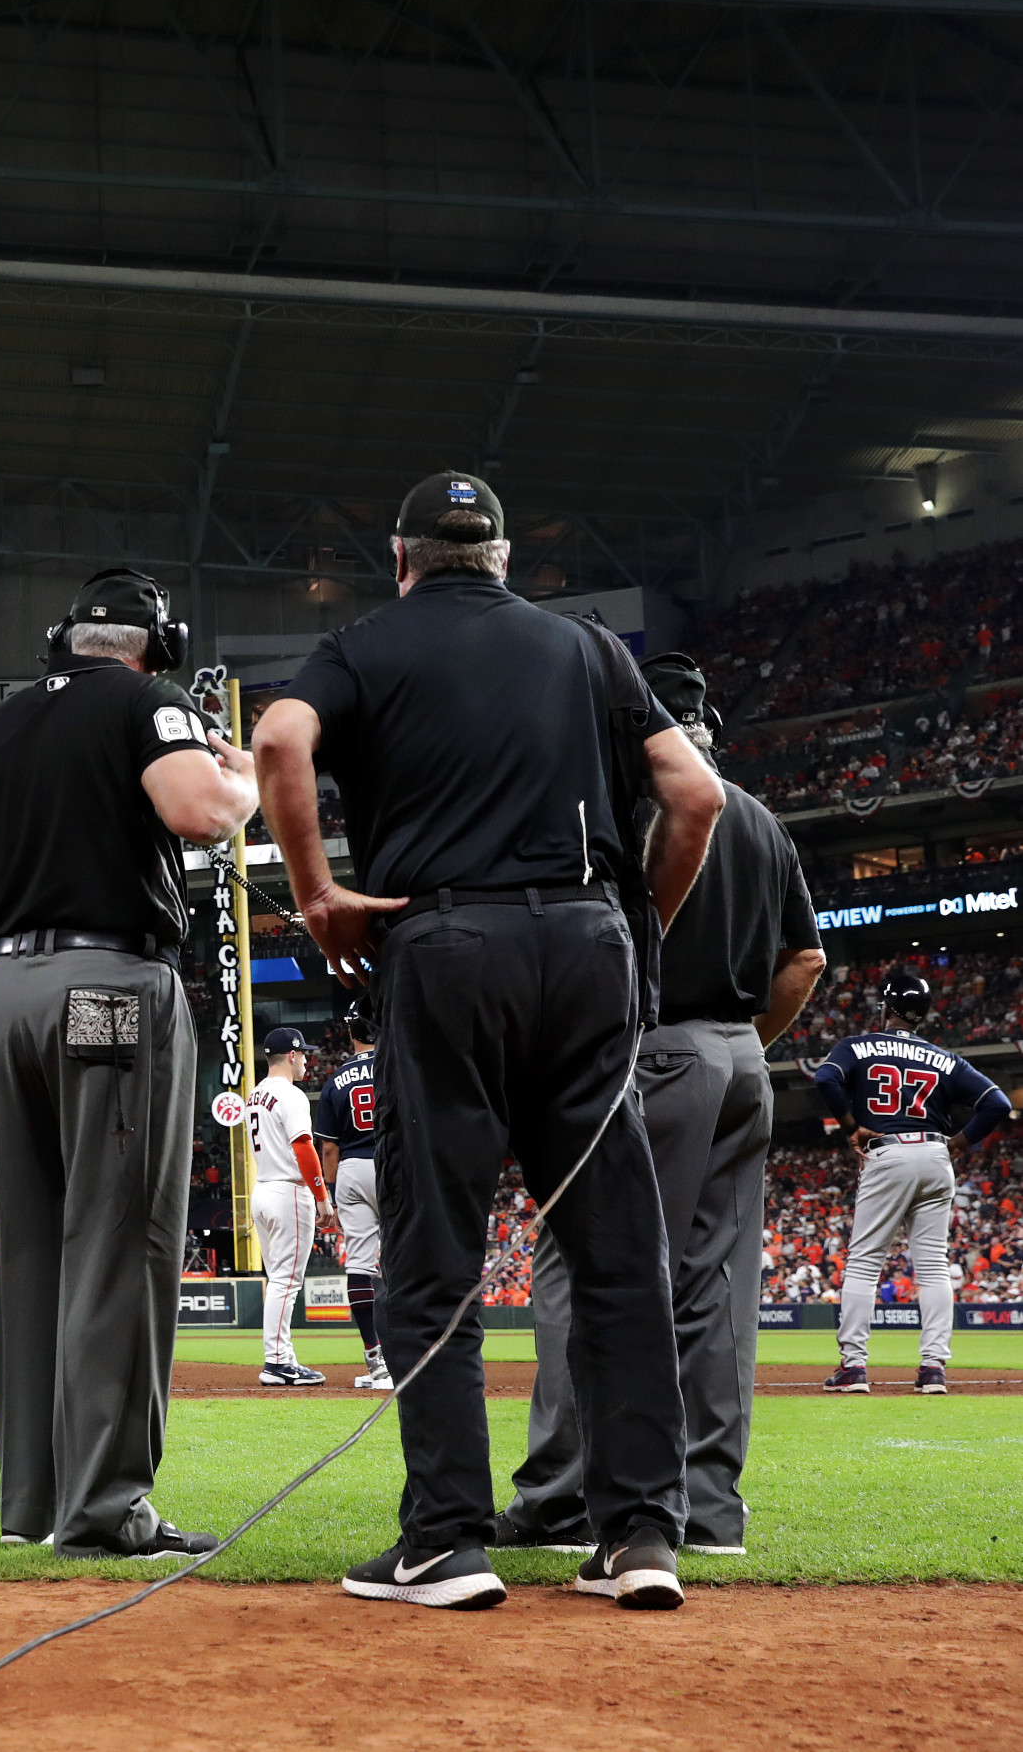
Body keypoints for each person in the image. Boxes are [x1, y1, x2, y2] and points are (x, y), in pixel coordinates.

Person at [253, 470, 723, 1613]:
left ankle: (446, 1540)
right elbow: (695, 796)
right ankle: (641, 1535)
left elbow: (277, 737)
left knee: (436, 1250)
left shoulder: (365, 642)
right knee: (618, 1254)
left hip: (444, 939)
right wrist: (632, 928)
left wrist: (318, 894)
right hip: (586, 939)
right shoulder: (590, 647)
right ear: (506, 558)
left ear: (403, 557)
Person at [0, 567, 258, 1559]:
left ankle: (30, 1503)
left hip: (8, 992)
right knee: (120, 1242)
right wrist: (243, 783)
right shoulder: (151, 700)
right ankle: (106, 1507)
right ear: (154, 642)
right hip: (109, 983)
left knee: (31, 1244)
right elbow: (194, 811)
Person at [497, 653, 825, 1557]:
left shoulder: (633, 806)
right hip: (738, 1064)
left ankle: (563, 1499)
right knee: (714, 1287)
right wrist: (745, 1047)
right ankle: (710, 1507)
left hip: (650, 1053)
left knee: (578, 1264)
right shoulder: (758, 818)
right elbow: (804, 963)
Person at [815, 974, 1010, 1395]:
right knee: (934, 1265)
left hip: (888, 1151)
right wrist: (959, 1142)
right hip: (936, 1154)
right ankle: (934, 1368)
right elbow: (998, 1103)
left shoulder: (857, 1045)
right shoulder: (947, 1059)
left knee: (865, 1262)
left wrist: (851, 1125)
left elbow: (825, 1079)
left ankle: (853, 1367)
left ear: (885, 1008)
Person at [246, 1026, 335, 1387]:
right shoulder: (290, 1094)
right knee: (287, 1281)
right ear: (293, 1055)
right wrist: (322, 1196)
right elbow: (303, 1147)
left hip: (263, 1189)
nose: (308, 1061)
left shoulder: (255, 1093)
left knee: (278, 1280)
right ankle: (278, 1362)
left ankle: (282, 1356)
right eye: (305, 1054)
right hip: (288, 1192)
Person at [311, 1000, 391, 1391]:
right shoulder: (398, 1067)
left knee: (360, 1264)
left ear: (350, 1031)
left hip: (352, 1169)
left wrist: (328, 1193)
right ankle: (410, 1354)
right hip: (394, 1165)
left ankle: (377, 1363)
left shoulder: (335, 1080)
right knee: (401, 1260)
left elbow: (328, 1149)